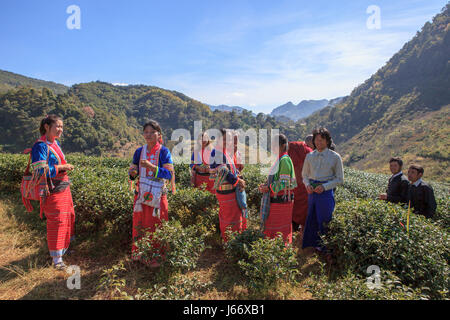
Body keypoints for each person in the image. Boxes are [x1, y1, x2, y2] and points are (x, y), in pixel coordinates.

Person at [30, 115, 75, 269]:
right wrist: (62, 167)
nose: (60, 129)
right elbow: (40, 170)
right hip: (52, 189)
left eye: (62, 127)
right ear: (47, 127)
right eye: (57, 126)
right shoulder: (40, 146)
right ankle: (57, 259)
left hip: (63, 187)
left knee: (68, 216)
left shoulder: (55, 144)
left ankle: (64, 249)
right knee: (57, 220)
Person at [129, 120, 175, 267]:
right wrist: (133, 173)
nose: (148, 135)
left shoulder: (164, 151)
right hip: (142, 194)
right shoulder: (139, 151)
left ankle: (157, 257)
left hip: (157, 195)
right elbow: (132, 173)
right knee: (140, 222)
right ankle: (140, 254)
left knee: (157, 223)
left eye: (152, 132)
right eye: (146, 132)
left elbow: (169, 174)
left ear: (158, 134)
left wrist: (151, 167)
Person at [302, 128, 344, 254]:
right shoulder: (309, 156)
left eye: (321, 140)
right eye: (316, 140)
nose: (318, 142)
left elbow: (340, 179)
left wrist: (325, 187)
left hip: (325, 193)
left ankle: (327, 248)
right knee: (312, 217)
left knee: (325, 219)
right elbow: (304, 175)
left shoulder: (335, 157)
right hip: (312, 193)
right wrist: (307, 185)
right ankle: (314, 245)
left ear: (327, 141)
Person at [210, 129, 247, 242]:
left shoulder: (223, 152)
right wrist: (238, 181)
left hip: (229, 191)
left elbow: (231, 170)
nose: (227, 142)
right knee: (230, 218)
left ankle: (232, 242)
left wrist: (238, 178)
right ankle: (230, 243)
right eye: (225, 139)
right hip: (226, 192)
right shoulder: (217, 152)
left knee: (232, 217)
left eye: (229, 139)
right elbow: (223, 171)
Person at [259, 134, 297, 244]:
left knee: (279, 229)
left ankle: (281, 252)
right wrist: (265, 185)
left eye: (275, 145)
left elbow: (284, 182)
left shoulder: (284, 160)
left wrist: (268, 188)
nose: (273, 148)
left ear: (283, 145)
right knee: (274, 227)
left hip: (281, 201)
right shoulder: (279, 159)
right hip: (278, 200)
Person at [288, 140, 313, 233]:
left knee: (293, 212)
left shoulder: (291, 150)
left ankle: (292, 233)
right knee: (304, 213)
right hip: (306, 187)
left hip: (293, 187)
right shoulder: (309, 152)